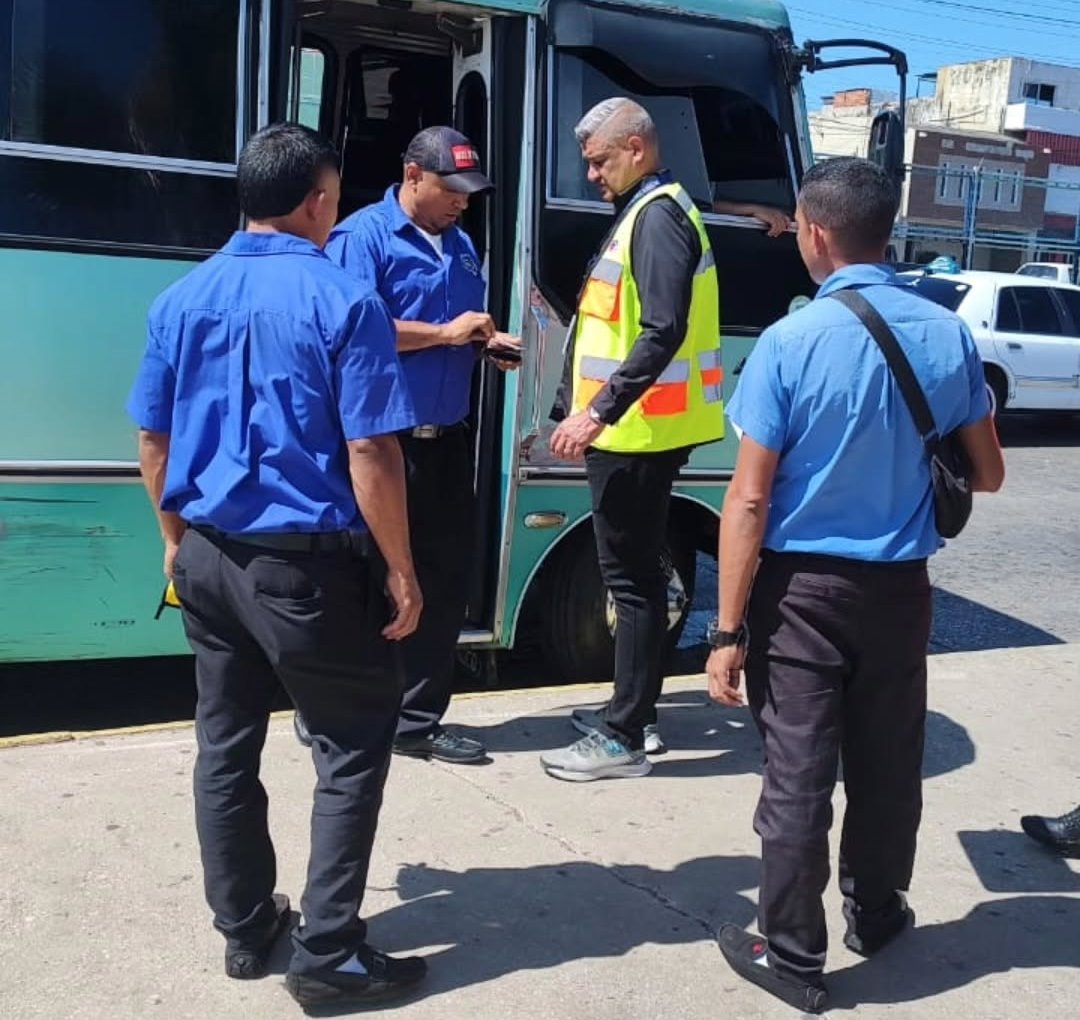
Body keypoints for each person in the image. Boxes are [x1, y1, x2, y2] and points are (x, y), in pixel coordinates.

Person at [127, 122, 429, 1011]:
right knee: (351, 747)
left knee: (225, 744)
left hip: (206, 557)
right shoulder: (345, 301)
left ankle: (247, 926)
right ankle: (328, 954)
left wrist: (173, 540)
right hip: (305, 572)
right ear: (317, 202)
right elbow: (371, 449)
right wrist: (402, 569)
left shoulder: (180, 298)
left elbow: (153, 439)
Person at [705, 157, 1005, 1013]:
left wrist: (726, 631)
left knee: (797, 775)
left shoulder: (790, 341)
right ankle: (876, 913)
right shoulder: (947, 335)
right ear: (887, 231)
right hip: (901, 592)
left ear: (814, 233)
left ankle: (792, 956)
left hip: (802, 596)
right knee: (887, 763)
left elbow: (749, 499)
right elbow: (987, 475)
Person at [539, 97, 785, 780]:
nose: (591, 175)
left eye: (599, 162)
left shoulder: (656, 219)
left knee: (632, 582)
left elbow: (662, 329)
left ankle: (625, 735)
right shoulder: (657, 208)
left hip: (638, 434)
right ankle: (633, 713)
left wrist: (597, 412)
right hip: (641, 429)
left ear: (637, 149)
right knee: (636, 578)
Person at [295, 126, 519, 765]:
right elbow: (355, 329)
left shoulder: (463, 247)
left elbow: (461, 329)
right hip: (382, 443)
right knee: (366, 581)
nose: (461, 202)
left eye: (469, 193)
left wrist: (486, 344)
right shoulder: (362, 238)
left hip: (446, 441)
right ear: (413, 175)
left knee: (441, 583)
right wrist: (447, 334)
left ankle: (416, 721)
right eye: (451, 189)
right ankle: (332, 709)